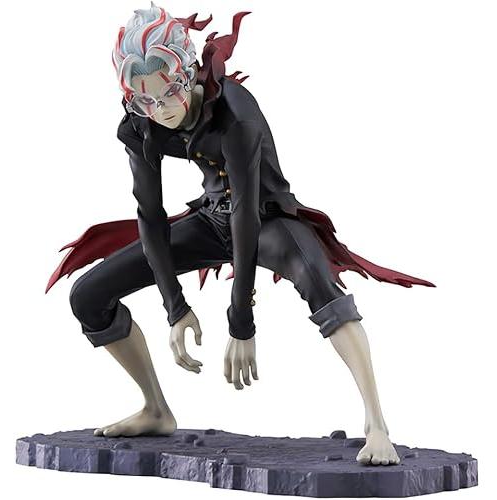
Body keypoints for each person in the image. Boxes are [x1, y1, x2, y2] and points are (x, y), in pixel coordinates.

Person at [47, 3, 435, 466]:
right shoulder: (141, 122)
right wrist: (175, 307)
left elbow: (247, 214)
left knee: (320, 284)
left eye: (168, 92)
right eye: (144, 99)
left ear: (187, 73)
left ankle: (378, 424)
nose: (160, 109)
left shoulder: (234, 113)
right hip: (210, 218)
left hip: (267, 218)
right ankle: (156, 409)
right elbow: (150, 216)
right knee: (87, 295)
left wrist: (241, 321)